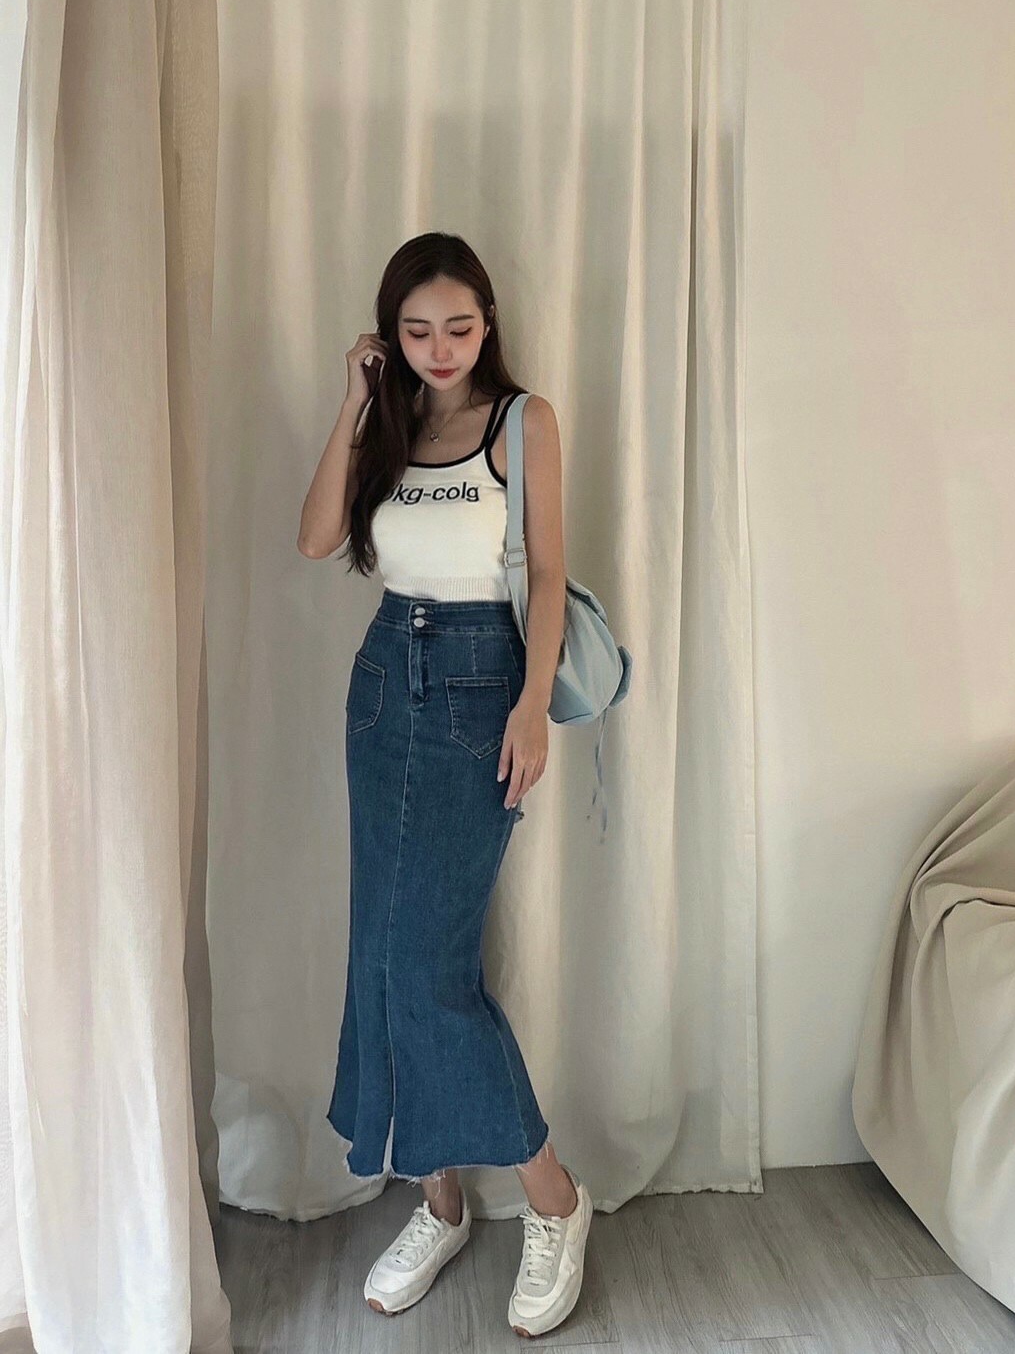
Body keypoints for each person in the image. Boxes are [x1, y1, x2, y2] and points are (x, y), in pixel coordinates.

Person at [297, 232, 593, 1338]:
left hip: (482, 685)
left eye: (458, 326)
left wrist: (531, 704)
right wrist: (353, 400)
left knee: (429, 969)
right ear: (390, 334)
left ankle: (554, 1198)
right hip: (384, 680)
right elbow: (316, 537)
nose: (439, 346)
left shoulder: (524, 422)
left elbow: (549, 573)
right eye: (416, 330)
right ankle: (440, 1198)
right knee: (381, 955)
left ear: (488, 323)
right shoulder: (389, 423)